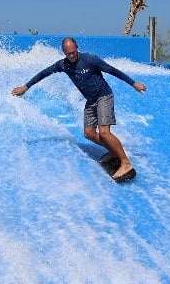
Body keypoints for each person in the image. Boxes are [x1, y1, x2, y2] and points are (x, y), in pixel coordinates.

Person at [12, 37, 146, 182]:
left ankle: (125, 162)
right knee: (88, 134)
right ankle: (114, 152)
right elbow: (44, 73)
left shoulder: (90, 59)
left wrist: (134, 83)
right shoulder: (63, 65)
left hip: (104, 96)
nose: (72, 56)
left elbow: (112, 70)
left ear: (77, 48)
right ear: (64, 53)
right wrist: (26, 87)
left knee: (104, 133)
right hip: (91, 101)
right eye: (68, 53)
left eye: (73, 52)